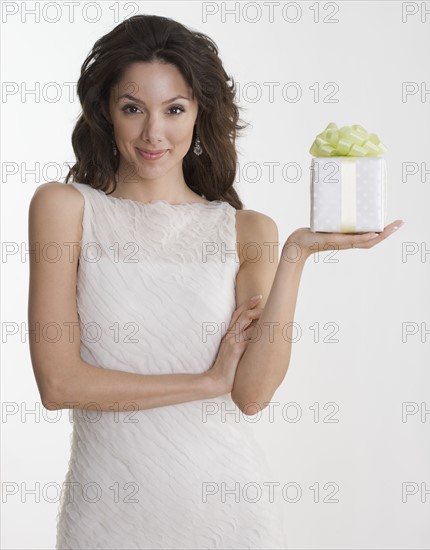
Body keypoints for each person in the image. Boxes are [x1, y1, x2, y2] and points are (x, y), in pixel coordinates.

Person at [27, 14, 404, 550]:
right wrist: (204, 383)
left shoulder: (247, 229)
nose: (154, 132)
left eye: (174, 109)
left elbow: (251, 394)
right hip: (106, 514)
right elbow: (58, 384)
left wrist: (295, 256)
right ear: (106, 112)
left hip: (228, 512)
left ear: (199, 113)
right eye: (133, 108)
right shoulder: (64, 208)